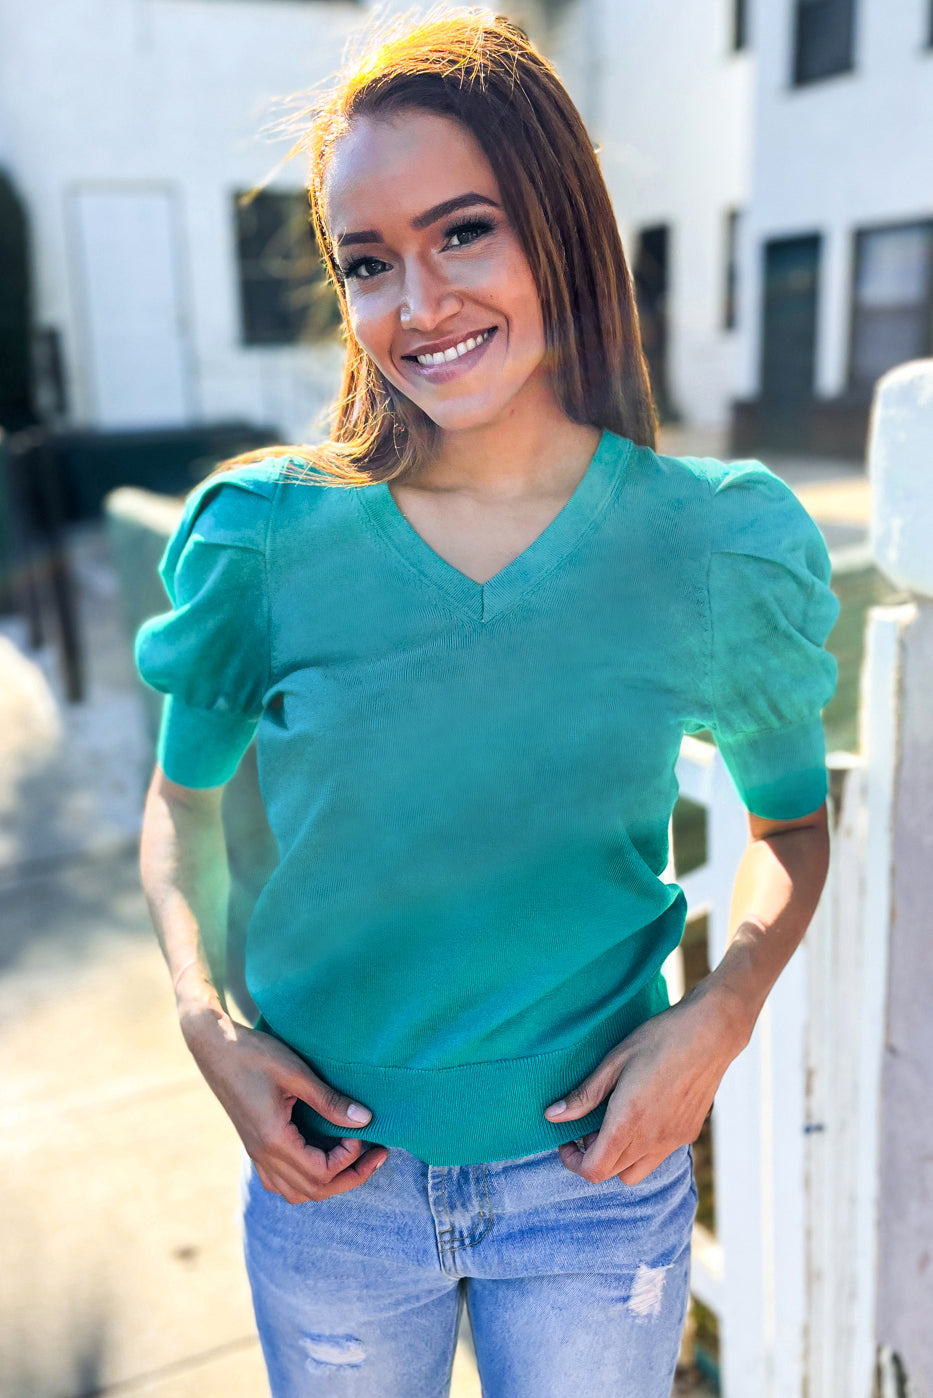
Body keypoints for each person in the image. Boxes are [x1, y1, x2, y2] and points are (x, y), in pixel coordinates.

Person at [134, 9, 840, 1395]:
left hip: (597, 1188)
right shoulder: (260, 539)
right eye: (368, 261)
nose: (419, 303)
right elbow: (181, 806)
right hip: (332, 1193)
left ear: (559, 228)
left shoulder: (708, 543)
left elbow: (792, 830)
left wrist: (720, 1015)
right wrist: (205, 1019)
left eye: (464, 231)